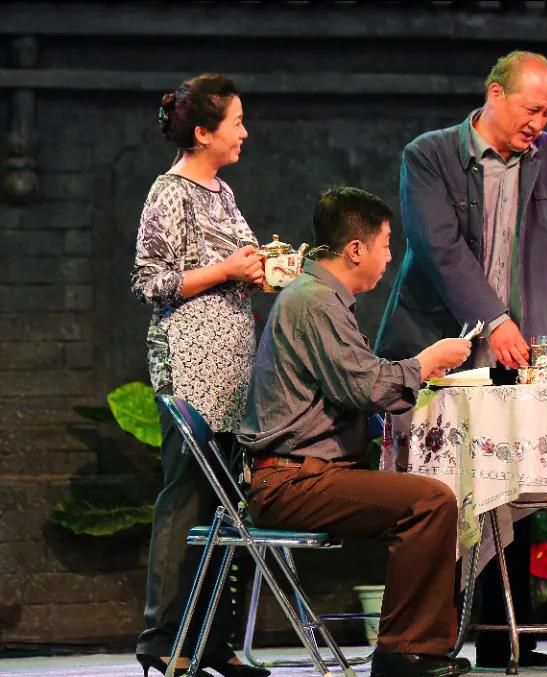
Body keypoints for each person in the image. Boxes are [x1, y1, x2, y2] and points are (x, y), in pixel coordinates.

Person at [374, 50, 547, 668]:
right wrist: (494, 318)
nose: (540, 122)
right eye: (532, 109)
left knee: (516, 483)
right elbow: (438, 248)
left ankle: (510, 635)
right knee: (444, 489)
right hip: (443, 346)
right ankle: (430, 638)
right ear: (495, 94)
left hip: (521, 349)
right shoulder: (430, 155)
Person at [238, 186, 474, 677]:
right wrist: (425, 362)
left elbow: (355, 383)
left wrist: (412, 375)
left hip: (307, 472)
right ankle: (403, 652)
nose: (389, 257)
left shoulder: (319, 297)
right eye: (386, 245)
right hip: (291, 479)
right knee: (430, 501)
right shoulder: (314, 301)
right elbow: (364, 386)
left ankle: (414, 644)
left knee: (430, 494)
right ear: (355, 249)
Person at [131, 73, 270, 677]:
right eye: (236, 122)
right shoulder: (170, 193)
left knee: (225, 506)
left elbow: (233, 266)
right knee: (186, 497)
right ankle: (163, 636)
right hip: (189, 366)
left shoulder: (222, 191)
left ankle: (212, 640)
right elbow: (150, 283)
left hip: (232, 368)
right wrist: (225, 270)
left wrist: (258, 272)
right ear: (205, 132)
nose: (244, 132)